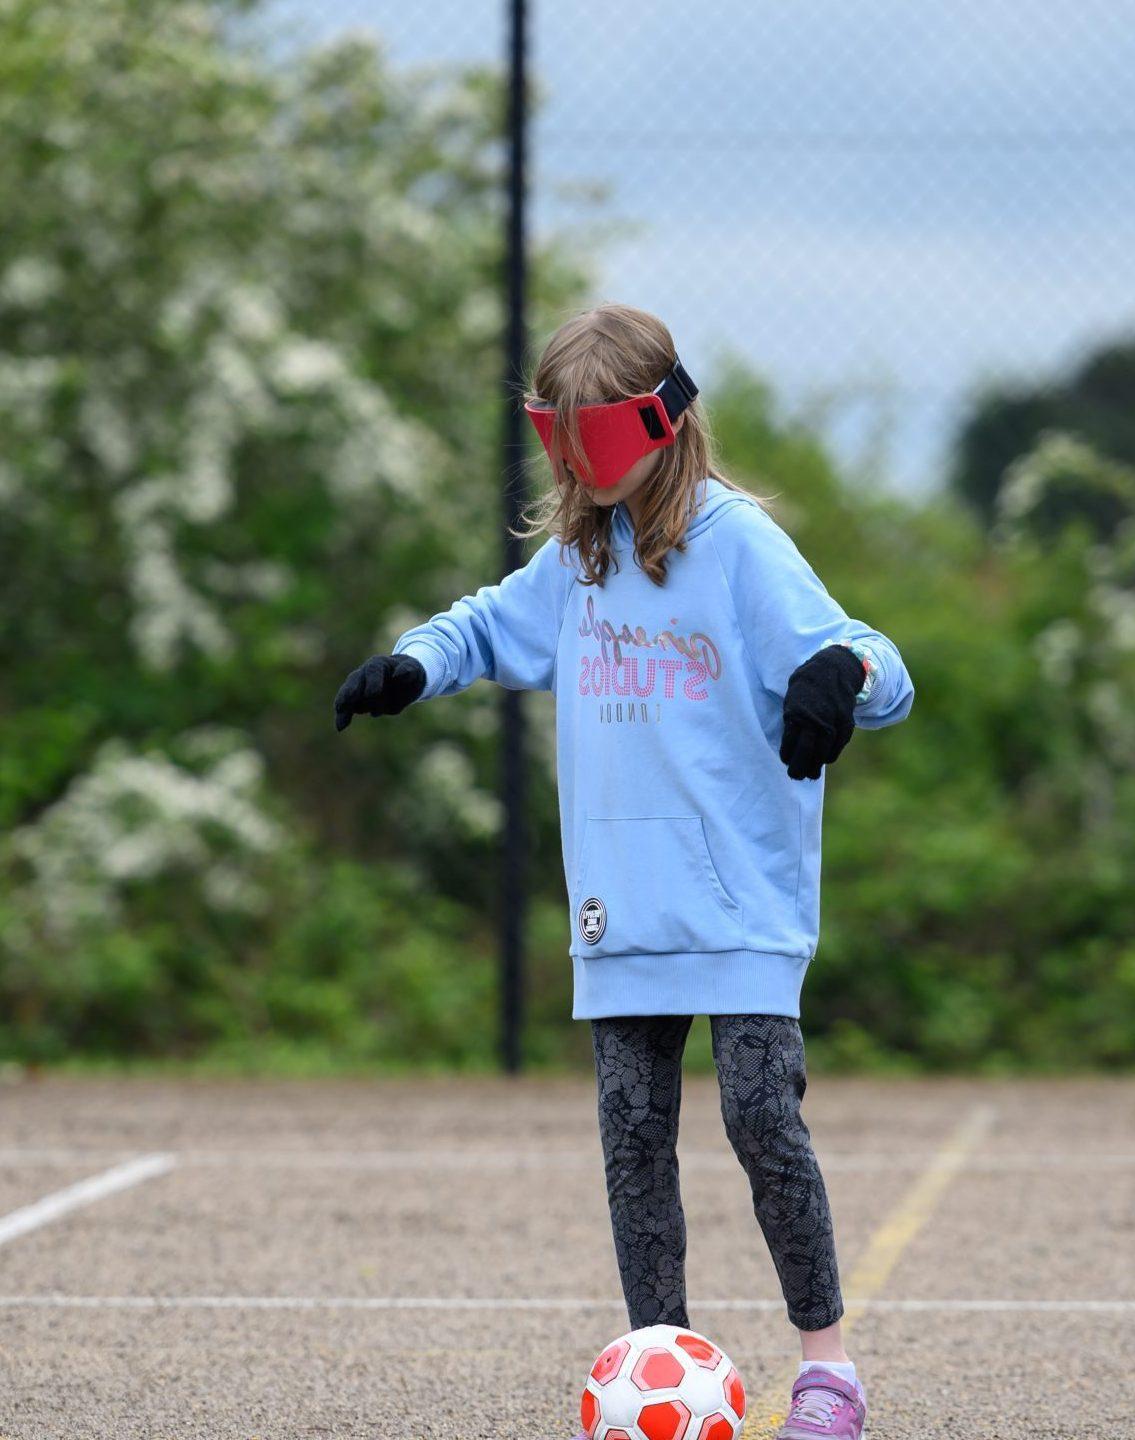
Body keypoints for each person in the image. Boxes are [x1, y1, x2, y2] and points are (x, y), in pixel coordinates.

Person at [333, 303, 913, 1440]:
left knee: (759, 1116)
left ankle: (827, 1369)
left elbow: (875, 659)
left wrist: (837, 675)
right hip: (622, 905)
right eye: (562, 439)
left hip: (741, 897)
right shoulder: (577, 560)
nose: (578, 465)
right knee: (634, 1135)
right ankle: (663, 1360)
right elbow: (486, 627)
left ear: (663, 422)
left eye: (597, 439)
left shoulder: (740, 542)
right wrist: (412, 665)